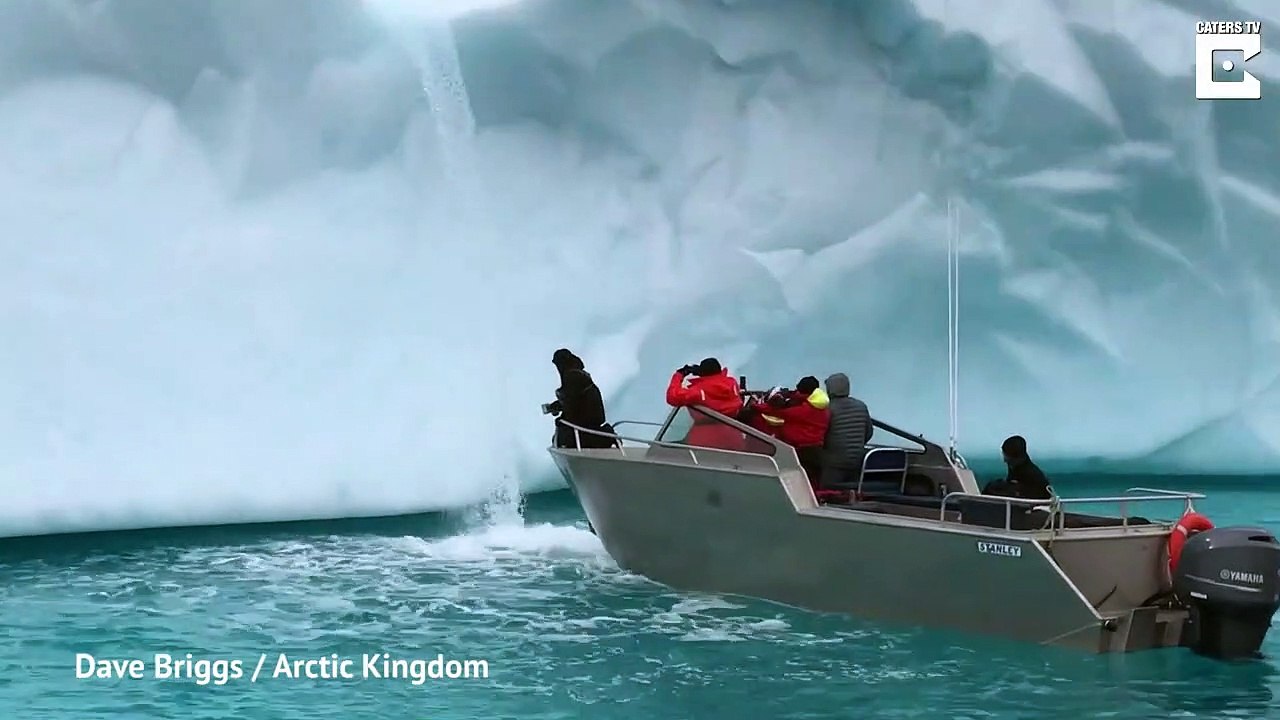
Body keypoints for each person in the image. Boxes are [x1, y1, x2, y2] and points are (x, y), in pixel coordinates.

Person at [749, 376, 830, 482]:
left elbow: (778, 412)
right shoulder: (822, 406)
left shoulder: (804, 411)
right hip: (816, 451)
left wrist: (754, 405)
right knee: (812, 483)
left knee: (799, 482)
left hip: (803, 451)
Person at [665, 357, 744, 449]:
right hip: (734, 438)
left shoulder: (698, 391)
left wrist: (679, 375)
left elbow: (672, 397)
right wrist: (701, 371)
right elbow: (716, 380)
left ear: (702, 372)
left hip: (705, 442)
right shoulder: (732, 384)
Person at [548, 348, 614, 449]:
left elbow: (572, 402)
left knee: (563, 436)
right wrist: (559, 405)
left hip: (586, 421)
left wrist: (560, 408)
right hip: (590, 420)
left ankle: (604, 438)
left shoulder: (572, 376)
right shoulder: (579, 374)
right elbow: (574, 399)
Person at [818, 372, 873, 490]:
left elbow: (821, 435)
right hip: (858, 459)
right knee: (852, 489)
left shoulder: (828, 408)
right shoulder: (861, 406)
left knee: (826, 489)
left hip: (834, 461)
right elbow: (869, 433)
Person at [982, 435, 1052, 500]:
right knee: (992, 486)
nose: (1005, 460)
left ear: (1018, 458)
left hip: (1033, 501)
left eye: (1008, 457)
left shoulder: (1033, 475)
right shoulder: (1014, 465)